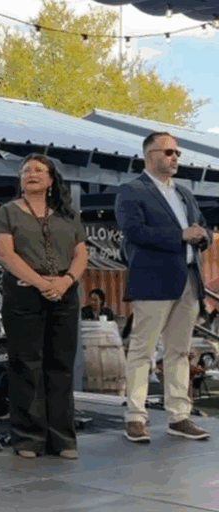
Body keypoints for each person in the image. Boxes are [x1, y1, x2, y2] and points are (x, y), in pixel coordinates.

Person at [114, 131, 212, 443]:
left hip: (188, 279)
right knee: (143, 350)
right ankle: (135, 417)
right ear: (149, 155)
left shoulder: (184, 193)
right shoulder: (132, 191)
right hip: (153, 280)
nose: (174, 158)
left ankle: (179, 416)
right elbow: (134, 232)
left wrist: (202, 235)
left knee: (180, 352)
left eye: (177, 154)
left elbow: (202, 227)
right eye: (168, 152)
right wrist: (181, 235)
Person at [0, 154, 88, 460]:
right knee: (26, 366)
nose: (30, 174)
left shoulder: (68, 214)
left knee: (60, 366)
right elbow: (6, 255)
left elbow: (81, 254)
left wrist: (66, 281)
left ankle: (62, 439)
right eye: (25, 171)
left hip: (65, 294)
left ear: (50, 180)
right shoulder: (7, 212)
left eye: (38, 170)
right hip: (23, 295)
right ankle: (28, 439)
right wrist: (40, 282)